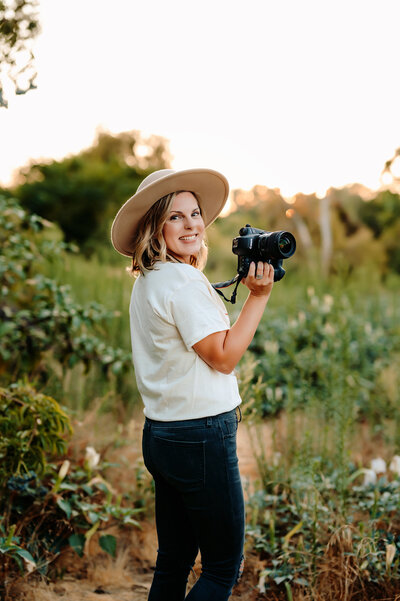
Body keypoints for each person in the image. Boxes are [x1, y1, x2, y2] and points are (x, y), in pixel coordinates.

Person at [111, 168, 274, 601]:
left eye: (195, 214)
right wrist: (258, 297)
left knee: (175, 560)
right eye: (176, 217)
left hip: (162, 434)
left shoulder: (152, 278)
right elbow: (222, 357)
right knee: (222, 569)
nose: (191, 225)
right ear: (155, 227)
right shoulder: (180, 281)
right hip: (200, 436)